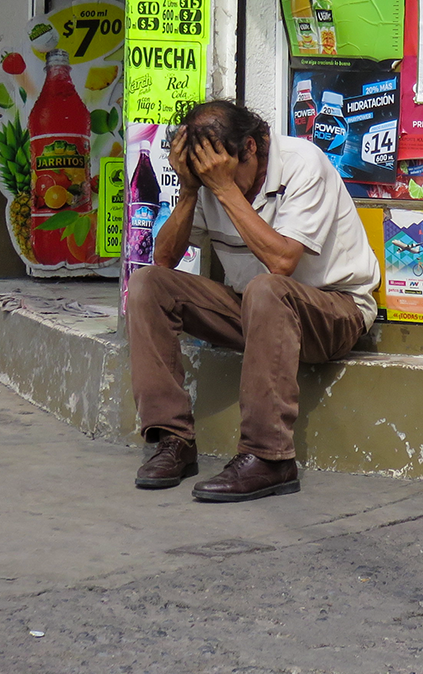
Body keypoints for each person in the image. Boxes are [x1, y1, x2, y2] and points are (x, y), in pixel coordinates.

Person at [127, 100, 380, 502]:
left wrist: (226, 190)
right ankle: (172, 439)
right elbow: (164, 260)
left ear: (250, 147)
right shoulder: (209, 180)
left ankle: (270, 458)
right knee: (148, 285)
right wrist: (192, 191)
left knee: (267, 286)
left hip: (334, 311)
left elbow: (282, 262)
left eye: (221, 172)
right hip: (255, 310)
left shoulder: (303, 164)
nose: (215, 181)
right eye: (205, 175)